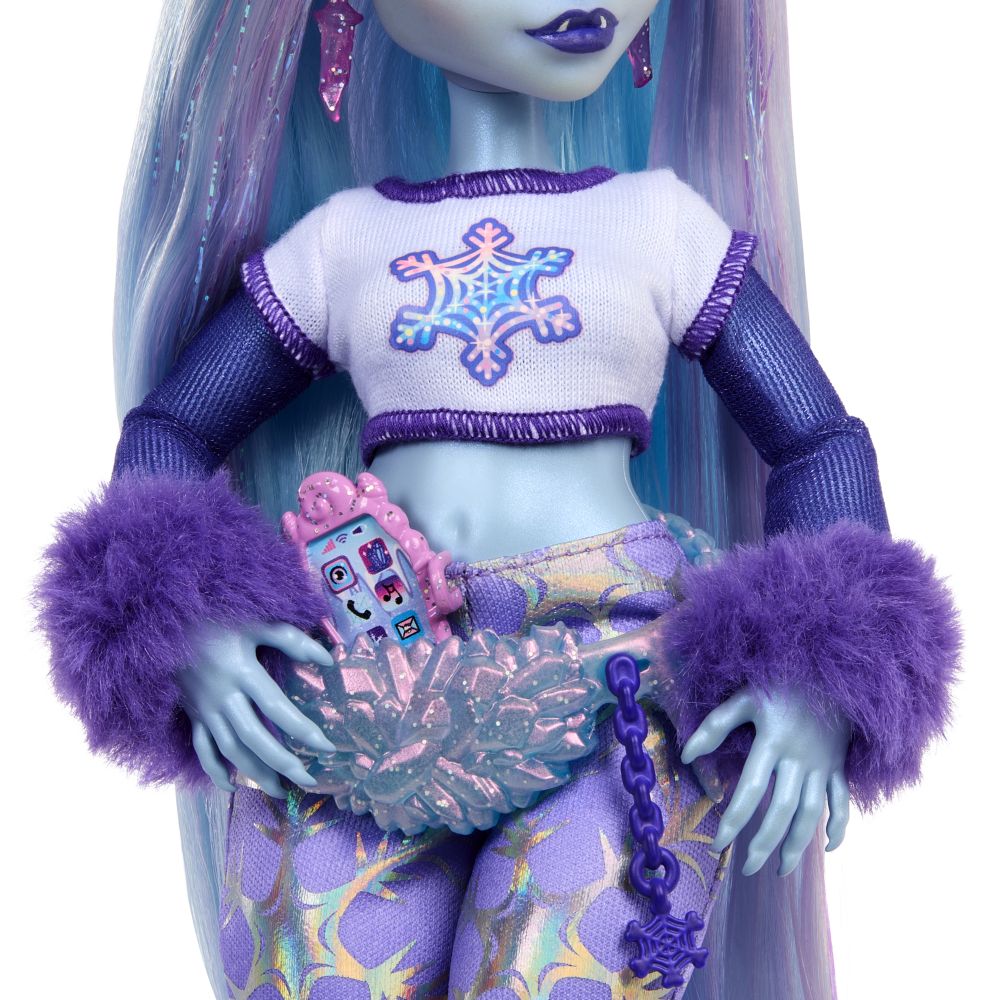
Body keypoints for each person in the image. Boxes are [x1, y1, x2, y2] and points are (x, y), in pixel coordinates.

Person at [38, 3, 958, 997]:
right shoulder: (344, 241)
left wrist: (825, 671)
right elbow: (172, 430)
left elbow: (817, 441)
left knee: (559, 968)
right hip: (370, 685)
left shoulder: (658, 223)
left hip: (619, 683)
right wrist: (179, 620)